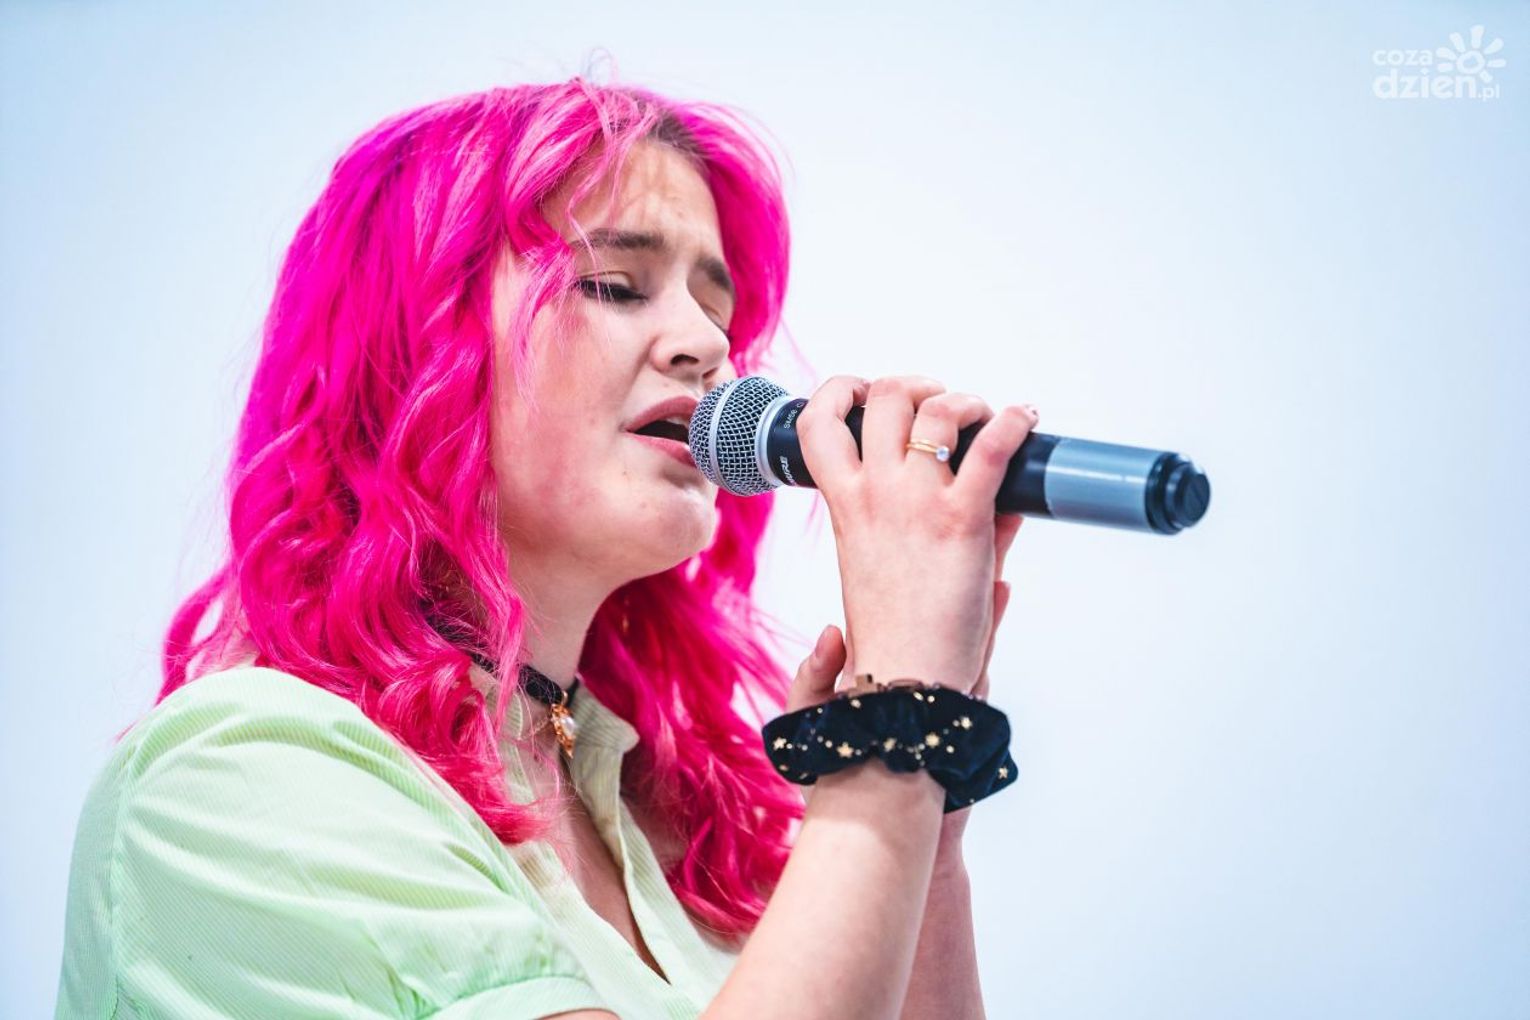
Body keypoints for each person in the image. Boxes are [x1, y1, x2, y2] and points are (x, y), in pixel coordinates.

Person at [54, 75, 1038, 1019]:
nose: (706, 346)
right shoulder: (236, 777)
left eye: (717, 310)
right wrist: (891, 728)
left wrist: (925, 792)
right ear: (417, 348)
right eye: (614, 285)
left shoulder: (684, 823)